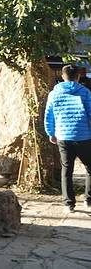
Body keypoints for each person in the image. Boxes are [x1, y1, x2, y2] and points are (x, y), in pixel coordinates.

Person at [44, 64, 91, 212]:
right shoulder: (85, 92)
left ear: (63, 76)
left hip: (63, 136)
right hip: (84, 136)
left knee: (67, 170)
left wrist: (51, 133)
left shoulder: (54, 93)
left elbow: (49, 115)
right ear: (78, 76)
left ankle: (68, 204)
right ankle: (88, 200)